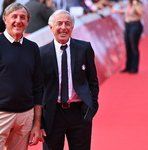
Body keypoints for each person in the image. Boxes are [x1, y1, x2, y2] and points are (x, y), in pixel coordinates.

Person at [0, 2, 44, 150]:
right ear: (5, 19)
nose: (18, 21)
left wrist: (36, 124)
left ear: (27, 21)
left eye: (22, 17)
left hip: (25, 116)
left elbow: (38, 87)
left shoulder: (33, 48)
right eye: (14, 17)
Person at [40, 9, 99, 150]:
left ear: (72, 27)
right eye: (59, 23)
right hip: (52, 115)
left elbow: (93, 80)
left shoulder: (84, 49)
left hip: (79, 113)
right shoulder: (41, 53)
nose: (63, 28)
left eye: (67, 24)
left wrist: (92, 106)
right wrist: (40, 121)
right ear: (51, 27)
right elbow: (37, 89)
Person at [111, 0, 143, 73]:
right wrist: (116, 10)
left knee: (134, 47)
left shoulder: (138, 4)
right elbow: (126, 11)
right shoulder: (129, 4)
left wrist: (135, 4)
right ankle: (128, 66)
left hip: (136, 25)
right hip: (128, 26)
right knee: (128, 46)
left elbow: (140, 12)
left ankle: (135, 67)